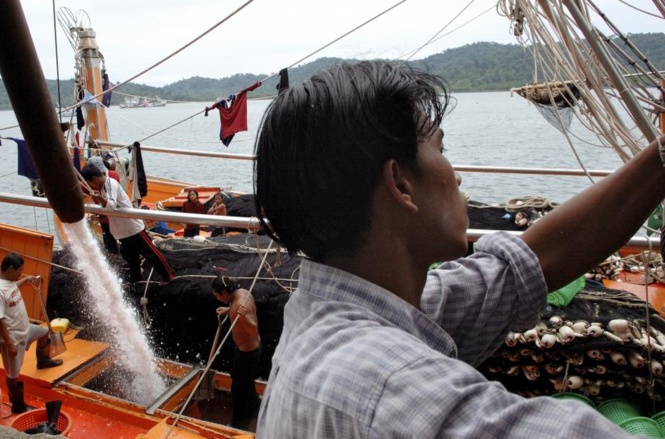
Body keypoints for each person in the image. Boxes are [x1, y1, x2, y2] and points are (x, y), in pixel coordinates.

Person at [253, 60, 665, 438]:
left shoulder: (338, 310)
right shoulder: (391, 390)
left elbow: (536, 260)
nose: (458, 176)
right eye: (440, 149)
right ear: (401, 185)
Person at [0, 252, 62, 414]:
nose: (21, 273)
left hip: (24, 329)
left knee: (44, 332)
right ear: (10, 269)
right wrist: (9, 344)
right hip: (11, 337)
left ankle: (43, 361)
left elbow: (12, 289)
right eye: (19, 270)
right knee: (12, 374)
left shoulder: (9, 282)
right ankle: (18, 405)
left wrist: (25, 280)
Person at [81, 163, 175, 283]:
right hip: (123, 231)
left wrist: (99, 198)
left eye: (89, 183)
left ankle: (169, 276)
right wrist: (99, 217)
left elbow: (111, 206)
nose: (90, 186)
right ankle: (135, 281)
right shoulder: (103, 188)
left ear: (94, 179)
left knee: (151, 253)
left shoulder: (110, 184)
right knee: (130, 256)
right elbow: (110, 211)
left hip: (133, 228)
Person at [211, 275, 261, 430]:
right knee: (244, 380)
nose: (218, 299)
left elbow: (253, 329)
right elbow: (236, 307)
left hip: (248, 353)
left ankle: (239, 423)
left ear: (224, 292)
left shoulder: (240, 304)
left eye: (218, 296)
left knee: (239, 391)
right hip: (244, 351)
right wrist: (229, 310)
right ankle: (255, 404)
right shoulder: (241, 293)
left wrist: (244, 317)